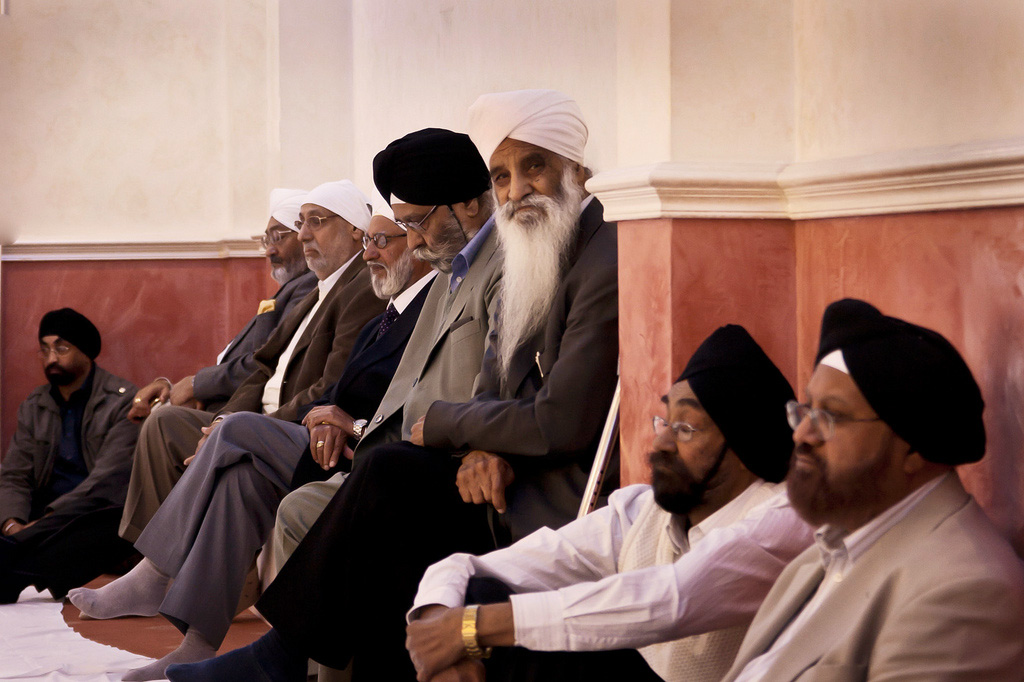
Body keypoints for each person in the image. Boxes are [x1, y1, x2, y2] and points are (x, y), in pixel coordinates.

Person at [166, 89, 621, 682]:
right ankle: (278, 655)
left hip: (540, 500)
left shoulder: (601, 259)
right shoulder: (537, 248)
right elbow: (494, 384)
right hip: (496, 471)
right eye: (502, 175)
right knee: (374, 490)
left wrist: (459, 427)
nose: (515, 191)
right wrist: (484, 443)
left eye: (533, 166)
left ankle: (279, 659)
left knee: (385, 480)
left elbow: (561, 419)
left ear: (577, 170)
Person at [68, 213, 434, 681]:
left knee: (236, 431)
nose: (370, 253)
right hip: (320, 441)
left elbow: (405, 400)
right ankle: (196, 645)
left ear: (418, 243)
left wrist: (348, 423)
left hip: (358, 454)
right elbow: (322, 388)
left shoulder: (423, 307)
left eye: (380, 241)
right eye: (369, 241)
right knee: (240, 475)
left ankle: (155, 573)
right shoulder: (388, 314)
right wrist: (321, 415)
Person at [404, 325, 813, 682]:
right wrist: (438, 621)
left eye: (686, 429)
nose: (662, 442)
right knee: (480, 590)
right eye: (664, 421)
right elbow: (468, 565)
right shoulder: (642, 510)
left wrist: (472, 628)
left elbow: (670, 599)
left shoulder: (783, 518)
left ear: (743, 445)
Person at [720, 299, 1024, 681]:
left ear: (912, 446)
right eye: (805, 410)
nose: (802, 434)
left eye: (831, 416)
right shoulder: (820, 557)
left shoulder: (967, 592)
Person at [267, 127, 500, 581]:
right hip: (390, 449)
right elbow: (405, 387)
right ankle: (299, 649)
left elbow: (495, 391)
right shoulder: (449, 272)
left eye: (417, 223)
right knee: (298, 503)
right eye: (406, 227)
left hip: (449, 464)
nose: (413, 242)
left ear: (469, 204)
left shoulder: (496, 269)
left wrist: (356, 432)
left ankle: (286, 648)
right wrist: (356, 431)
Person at [116, 180, 385, 544]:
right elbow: (261, 366)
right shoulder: (315, 292)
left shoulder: (362, 289)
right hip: (256, 417)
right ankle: (147, 552)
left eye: (316, 221)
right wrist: (227, 420)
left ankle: (159, 566)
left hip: (291, 426)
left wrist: (249, 428)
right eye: (301, 223)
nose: (303, 234)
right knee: (165, 422)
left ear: (355, 230)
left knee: (180, 427)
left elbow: (330, 387)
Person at [126, 188, 316, 420]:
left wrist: (197, 385)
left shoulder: (309, 285)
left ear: (304, 237)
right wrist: (181, 387)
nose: (269, 250)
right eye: (267, 240)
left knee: (160, 421)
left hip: (246, 413)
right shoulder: (290, 289)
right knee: (153, 413)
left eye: (278, 237)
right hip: (224, 405)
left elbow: (266, 361)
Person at [0, 309, 139, 603]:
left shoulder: (123, 401)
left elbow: (107, 480)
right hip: (37, 521)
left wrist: (39, 526)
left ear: (85, 351)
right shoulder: (35, 404)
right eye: (45, 349)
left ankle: (12, 561)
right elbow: (14, 475)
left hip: (88, 515)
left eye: (61, 348)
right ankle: (19, 560)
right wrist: (13, 524)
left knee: (104, 526)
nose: (51, 358)